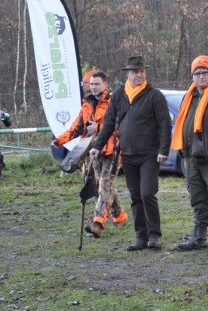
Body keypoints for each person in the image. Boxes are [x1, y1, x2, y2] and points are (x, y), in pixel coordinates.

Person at [90, 56, 170, 251]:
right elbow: (108, 123)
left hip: (150, 154)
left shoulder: (154, 95)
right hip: (127, 154)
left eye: (142, 71)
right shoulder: (119, 95)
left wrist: (163, 150)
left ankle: (154, 235)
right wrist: (97, 146)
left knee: (147, 193)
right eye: (135, 72)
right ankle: (141, 236)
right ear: (128, 73)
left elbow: (164, 125)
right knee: (135, 196)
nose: (139, 75)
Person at [54, 70, 128, 237]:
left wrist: (100, 128)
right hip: (94, 152)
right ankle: (120, 215)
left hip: (113, 150)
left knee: (104, 185)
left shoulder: (114, 102)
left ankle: (98, 222)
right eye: (91, 84)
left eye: (97, 84)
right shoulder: (86, 104)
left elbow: (121, 125)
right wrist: (58, 141)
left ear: (105, 85)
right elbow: (76, 128)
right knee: (104, 186)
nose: (93, 87)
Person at [171, 55, 208, 254]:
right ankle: (199, 236)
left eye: (204, 72)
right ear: (192, 76)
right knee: (197, 197)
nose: (200, 76)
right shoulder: (189, 97)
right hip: (190, 156)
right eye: (197, 73)